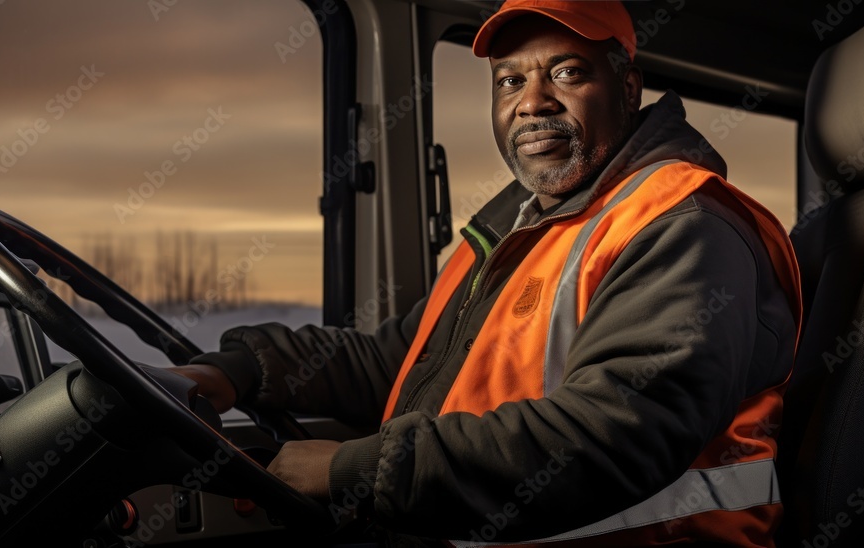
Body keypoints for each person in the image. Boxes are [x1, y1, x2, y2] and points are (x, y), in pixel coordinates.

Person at [175, 0, 802, 546]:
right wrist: (238, 371)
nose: (533, 102)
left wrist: (353, 470)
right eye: (509, 81)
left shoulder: (684, 225)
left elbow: (615, 433)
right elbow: (399, 361)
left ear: (628, 87)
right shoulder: (518, 230)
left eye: (566, 72)